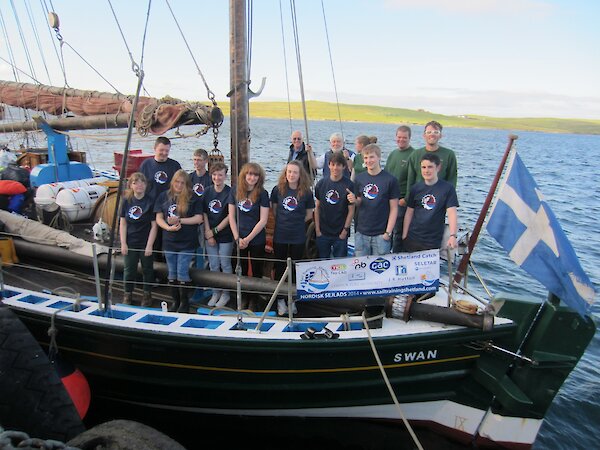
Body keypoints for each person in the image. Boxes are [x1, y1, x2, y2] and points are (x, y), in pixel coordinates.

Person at [154, 169, 203, 313]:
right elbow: (158, 218)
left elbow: (199, 218)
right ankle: (175, 301)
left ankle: (184, 303)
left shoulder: (193, 198)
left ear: (187, 184)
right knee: (172, 273)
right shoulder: (164, 196)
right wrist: (167, 228)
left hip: (186, 242)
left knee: (182, 272)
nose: (179, 185)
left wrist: (180, 220)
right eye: (177, 182)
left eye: (183, 183)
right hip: (169, 241)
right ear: (172, 182)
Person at [271, 160, 315, 315]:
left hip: (298, 236)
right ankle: (280, 300)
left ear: (300, 174)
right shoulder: (277, 190)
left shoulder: (307, 192)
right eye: (289, 172)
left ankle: (292, 300)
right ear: (285, 173)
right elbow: (275, 210)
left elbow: (309, 214)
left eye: (295, 172)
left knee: (295, 268)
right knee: (280, 267)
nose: (291, 175)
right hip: (280, 235)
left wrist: (296, 223)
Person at [228, 162, 270, 310]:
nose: (252, 177)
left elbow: (263, 220)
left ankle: (255, 298)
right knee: (241, 268)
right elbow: (231, 217)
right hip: (239, 237)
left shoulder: (263, 194)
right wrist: (237, 238)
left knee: (257, 270)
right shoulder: (235, 191)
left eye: (255, 175)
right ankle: (244, 296)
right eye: (249, 174)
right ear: (244, 175)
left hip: (256, 238)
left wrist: (248, 239)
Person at [347, 144, 399, 256]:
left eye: (371, 157)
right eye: (365, 158)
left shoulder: (390, 180)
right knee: (360, 268)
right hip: (361, 232)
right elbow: (360, 201)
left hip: (381, 235)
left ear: (379, 157)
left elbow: (394, 208)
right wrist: (354, 200)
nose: (368, 160)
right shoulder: (359, 178)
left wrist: (388, 233)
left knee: (380, 271)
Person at [403, 153, 458, 252]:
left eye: (430, 167)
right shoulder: (415, 188)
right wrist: (404, 234)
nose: (426, 170)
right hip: (413, 237)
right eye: (423, 167)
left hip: (433, 240)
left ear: (438, 168)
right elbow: (409, 212)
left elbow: (452, 213)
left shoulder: (448, 189)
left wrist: (453, 235)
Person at [119, 172, 158, 306]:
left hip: (145, 241)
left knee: (147, 269)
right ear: (131, 185)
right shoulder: (126, 201)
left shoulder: (150, 202)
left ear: (146, 185)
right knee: (129, 269)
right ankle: (127, 294)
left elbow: (154, 226)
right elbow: (123, 223)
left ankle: (147, 294)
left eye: (142, 182)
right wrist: (123, 243)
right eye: (135, 183)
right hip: (131, 241)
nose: (139, 185)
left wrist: (149, 245)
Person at [203, 162, 234, 308]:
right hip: (210, 234)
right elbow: (204, 213)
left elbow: (230, 216)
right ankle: (216, 291)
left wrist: (215, 231)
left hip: (225, 234)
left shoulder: (230, 192)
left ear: (225, 176)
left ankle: (226, 293)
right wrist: (209, 233)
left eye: (220, 175)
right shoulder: (207, 192)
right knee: (214, 264)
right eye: (214, 175)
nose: (217, 177)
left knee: (225, 264)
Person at [314, 152, 354, 258]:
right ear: (329, 165)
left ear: (343, 166)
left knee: (340, 264)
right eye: (333, 164)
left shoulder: (349, 185)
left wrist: (345, 230)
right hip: (323, 233)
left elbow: (351, 210)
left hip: (340, 233)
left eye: (338, 165)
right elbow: (317, 208)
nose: (335, 168)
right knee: (322, 262)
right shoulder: (321, 184)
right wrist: (317, 230)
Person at [405, 121, 457, 200]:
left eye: (436, 132)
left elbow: (452, 179)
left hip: (439, 199)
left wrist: (448, 199)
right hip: (418, 198)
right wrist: (408, 199)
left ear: (440, 135)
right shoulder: (415, 154)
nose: (432, 135)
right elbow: (410, 180)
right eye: (429, 132)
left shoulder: (449, 155)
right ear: (424, 135)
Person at [384, 125, 415, 253]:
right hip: (388, 199)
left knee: (398, 232)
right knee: (387, 230)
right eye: (399, 137)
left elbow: (414, 180)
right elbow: (385, 174)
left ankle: (397, 257)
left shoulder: (414, 154)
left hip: (402, 201)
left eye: (404, 138)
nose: (401, 140)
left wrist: (406, 199)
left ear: (409, 138)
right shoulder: (393, 154)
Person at [189, 148, 212, 269]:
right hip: (193, 217)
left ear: (205, 161)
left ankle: (207, 275)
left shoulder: (209, 179)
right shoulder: (190, 178)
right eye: (194, 160)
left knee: (206, 249)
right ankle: (191, 272)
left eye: (199, 160)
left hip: (205, 217)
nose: (196, 163)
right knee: (191, 247)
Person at [139, 136, 182, 201]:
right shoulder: (146, 165)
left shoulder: (175, 165)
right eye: (161, 150)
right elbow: (139, 185)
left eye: (166, 151)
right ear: (155, 148)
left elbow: (182, 185)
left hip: (168, 203)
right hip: (150, 203)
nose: (164, 153)